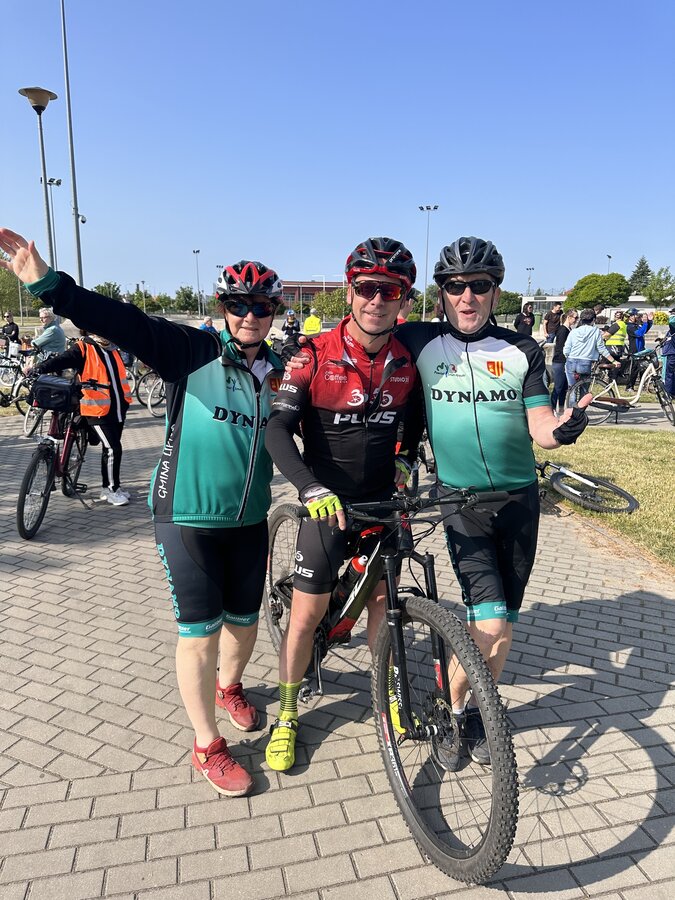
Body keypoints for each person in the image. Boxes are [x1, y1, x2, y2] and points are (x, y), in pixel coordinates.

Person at [285, 236, 593, 771]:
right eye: (455, 286)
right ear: (441, 293)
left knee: (502, 624)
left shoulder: (522, 349)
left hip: (518, 500)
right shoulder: (419, 340)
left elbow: (539, 425)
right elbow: (366, 330)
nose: (467, 296)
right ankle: (449, 712)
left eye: (479, 286)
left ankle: (469, 709)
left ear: (496, 291)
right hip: (459, 501)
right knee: (488, 623)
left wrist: (561, 430)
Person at [0, 227, 284, 799]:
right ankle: (206, 743)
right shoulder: (194, 350)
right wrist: (50, 286)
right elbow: (126, 322)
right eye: (238, 304)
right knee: (200, 633)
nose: (249, 316)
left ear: (274, 311)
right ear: (223, 307)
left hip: (250, 518)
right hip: (187, 516)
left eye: (260, 306)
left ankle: (230, 688)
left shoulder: (277, 369)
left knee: (244, 622)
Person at [264, 236, 423, 772]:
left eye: (389, 291)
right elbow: (278, 429)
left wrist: (407, 459)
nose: (376, 300)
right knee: (306, 615)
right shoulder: (313, 355)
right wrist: (309, 488)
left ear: (404, 300)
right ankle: (288, 713)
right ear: (350, 293)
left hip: (382, 503)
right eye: (367, 288)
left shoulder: (407, 360)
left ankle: (388, 692)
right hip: (325, 502)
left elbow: (415, 419)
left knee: (383, 602)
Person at [33, 331, 133, 505]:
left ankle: (110, 487)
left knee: (110, 449)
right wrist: (39, 368)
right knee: (113, 448)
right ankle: (111, 490)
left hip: (117, 408)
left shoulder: (113, 348)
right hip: (96, 409)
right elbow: (62, 360)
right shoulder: (84, 347)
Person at [564, 308, 620, 386]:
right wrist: (613, 361)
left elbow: (566, 349)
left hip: (571, 360)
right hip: (586, 361)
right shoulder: (596, 331)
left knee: (572, 388)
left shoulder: (573, 331)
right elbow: (601, 349)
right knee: (584, 388)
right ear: (593, 320)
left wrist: (567, 356)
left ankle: (572, 393)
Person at [550, 309, 578, 413]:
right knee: (558, 386)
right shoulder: (562, 330)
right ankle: (552, 408)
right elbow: (561, 347)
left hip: (565, 361)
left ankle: (561, 408)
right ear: (569, 317)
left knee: (564, 387)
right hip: (560, 361)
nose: (576, 320)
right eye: (575, 317)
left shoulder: (569, 329)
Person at [662, 307, 675, 398]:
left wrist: (673, 316)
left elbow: (671, 322)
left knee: (668, 374)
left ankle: (667, 393)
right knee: (672, 374)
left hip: (671, 353)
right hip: (671, 351)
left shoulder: (673, 326)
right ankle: (672, 392)